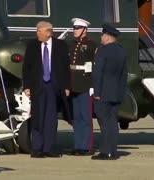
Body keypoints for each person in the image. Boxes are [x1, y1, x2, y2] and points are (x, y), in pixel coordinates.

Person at [22, 21, 71, 158]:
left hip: (54, 86)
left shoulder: (60, 46)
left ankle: (49, 148)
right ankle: (37, 148)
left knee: (51, 118)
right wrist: (26, 86)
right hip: (38, 86)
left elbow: (65, 67)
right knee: (38, 116)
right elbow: (27, 67)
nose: (37, 33)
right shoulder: (32, 46)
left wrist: (66, 86)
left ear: (48, 33)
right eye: (37, 30)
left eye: (39, 31)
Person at [91, 24, 128, 160]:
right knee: (113, 123)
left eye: (102, 35)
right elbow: (124, 75)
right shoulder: (121, 51)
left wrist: (97, 92)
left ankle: (106, 152)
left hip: (103, 93)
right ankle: (113, 151)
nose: (101, 37)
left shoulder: (103, 51)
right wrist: (121, 92)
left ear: (107, 36)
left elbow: (98, 73)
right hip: (116, 93)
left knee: (104, 123)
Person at [69, 18, 96, 156]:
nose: (75, 30)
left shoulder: (90, 45)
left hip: (85, 84)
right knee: (77, 118)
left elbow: (94, 66)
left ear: (84, 30)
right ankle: (78, 145)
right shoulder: (72, 45)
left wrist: (92, 85)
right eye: (74, 28)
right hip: (74, 84)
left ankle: (86, 146)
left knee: (86, 117)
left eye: (78, 28)